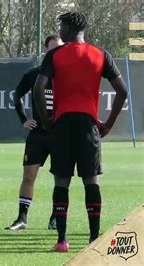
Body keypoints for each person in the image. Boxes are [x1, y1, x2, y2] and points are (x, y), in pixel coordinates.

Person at [33, 12, 127, 252]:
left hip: (62, 125)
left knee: (61, 181)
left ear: (67, 28)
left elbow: (38, 89)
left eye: (61, 27)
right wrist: (108, 124)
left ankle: (62, 241)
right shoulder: (100, 54)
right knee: (90, 181)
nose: (60, 32)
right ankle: (94, 239)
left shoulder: (55, 55)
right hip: (88, 125)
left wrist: (46, 120)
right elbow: (122, 91)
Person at [6, 35, 64, 231]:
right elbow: (16, 95)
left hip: (60, 135)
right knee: (29, 176)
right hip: (38, 135)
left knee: (61, 178)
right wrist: (24, 119)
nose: (56, 53)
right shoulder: (34, 74)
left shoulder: (68, 73)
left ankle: (55, 218)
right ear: (46, 52)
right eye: (53, 49)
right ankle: (22, 219)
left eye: (60, 49)